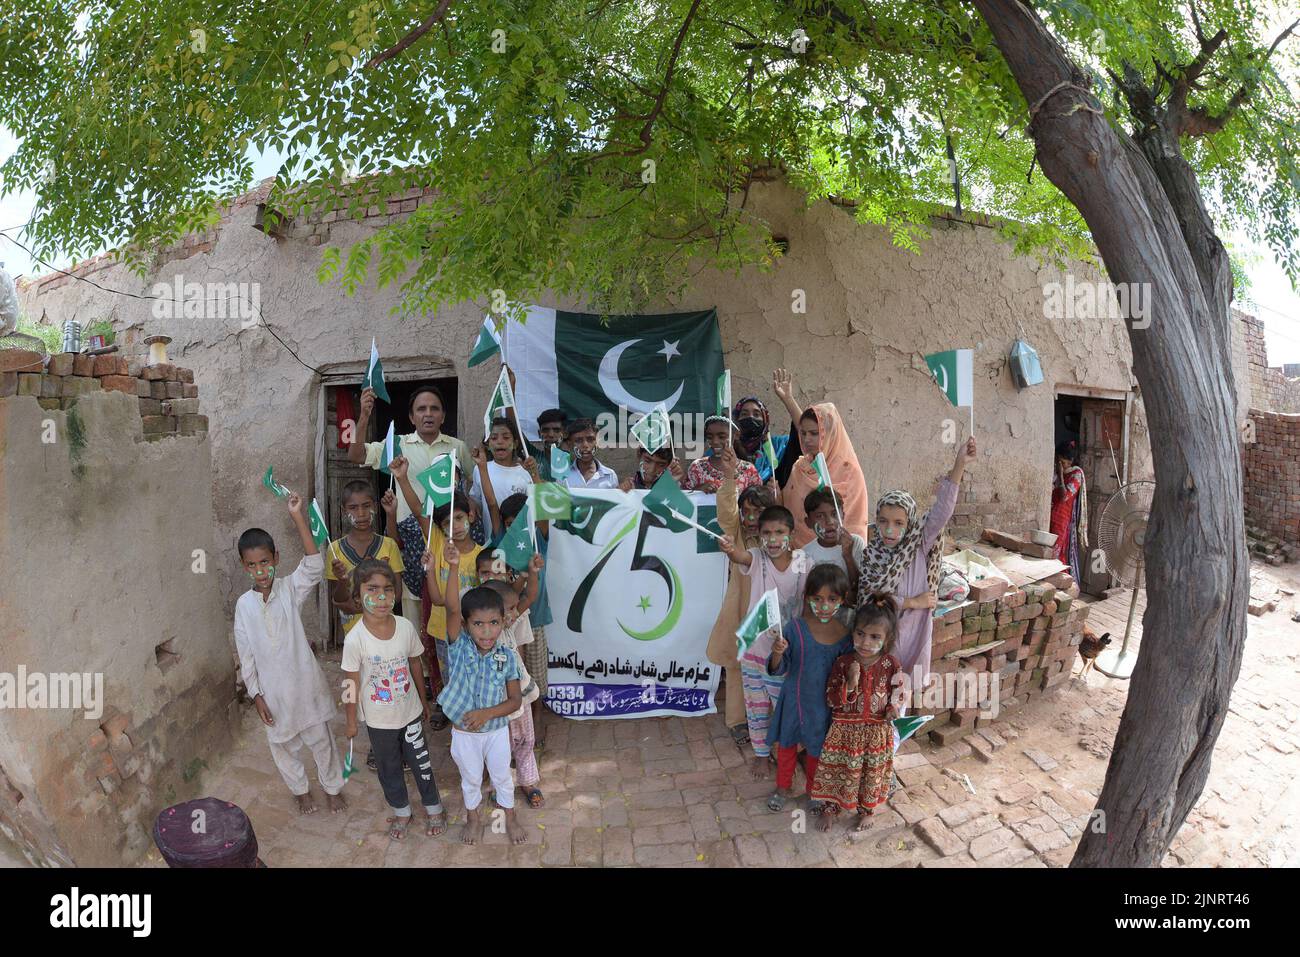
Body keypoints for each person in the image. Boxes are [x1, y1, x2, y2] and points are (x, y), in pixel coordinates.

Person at [233, 494, 346, 815]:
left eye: (265, 562)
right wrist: (255, 694)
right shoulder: (244, 606)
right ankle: (300, 790)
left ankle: (332, 787)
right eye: (252, 565)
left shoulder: (288, 590)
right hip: (274, 694)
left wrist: (298, 516)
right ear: (244, 566)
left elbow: (313, 565)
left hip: (304, 686)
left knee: (321, 741)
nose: (260, 571)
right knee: (282, 747)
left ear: (276, 559)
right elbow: (246, 655)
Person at [851, 438, 976, 690]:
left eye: (899, 523)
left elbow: (942, 510)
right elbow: (869, 599)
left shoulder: (918, 544)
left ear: (909, 524)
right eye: (883, 521)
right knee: (874, 689)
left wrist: (959, 465)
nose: (889, 529)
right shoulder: (871, 553)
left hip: (913, 633)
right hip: (880, 636)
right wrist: (913, 602)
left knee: (901, 694)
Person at [347, 383, 471, 635]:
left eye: (434, 409)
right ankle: (420, 670)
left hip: (450, 538)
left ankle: (447, 667)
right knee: (414, 606)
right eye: (421, 409)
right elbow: (356, 456)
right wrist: (364, 416)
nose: (428, 414)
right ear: (412, 416)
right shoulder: (398, 445)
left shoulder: (458, 447)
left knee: (450, 598)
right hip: (412, 538)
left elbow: (473, 484)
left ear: (443, 416)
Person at [341, 559, 443, 840]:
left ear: (396, 594)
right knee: (388, 768)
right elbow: (351, 682)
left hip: (409, 713)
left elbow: (414, 666)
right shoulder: (355, 639)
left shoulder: (405, 627)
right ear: (357, 596)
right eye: (372, 589)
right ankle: (401, 810)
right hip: (378, 720)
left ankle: (433, 806)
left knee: (421, 763)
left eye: (388, 589)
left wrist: (424, 702)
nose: (382, 597)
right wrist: (351, 721)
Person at [719, 506, 811, 778]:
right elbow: (739, 556)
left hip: (783, 652)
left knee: (784, 706)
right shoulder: (757, 558)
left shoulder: (802, 561)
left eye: (779, 532)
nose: (773, 539)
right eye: (767, 533)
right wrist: (728, 549)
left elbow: (807, 602)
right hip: (753, 649)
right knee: (756, 705)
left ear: (791, 534)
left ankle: (788, 752)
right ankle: (761, 754)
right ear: (759, 536)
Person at [438, 575, 527, 846]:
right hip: (465, 735)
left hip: (496, 732)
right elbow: (452, 608)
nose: (487, 632)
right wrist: (452, 566)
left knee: (502, 777)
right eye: (478, 624)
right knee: (471, 778)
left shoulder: (507, 657)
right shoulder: (460, 648)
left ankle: (509, 818)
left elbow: (515, 701)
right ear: (465, 625)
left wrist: (486, 714)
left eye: (494, 623)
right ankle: (473, 819)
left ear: (504, 622)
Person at [810, 594, 906, 831]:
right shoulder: (843, 663)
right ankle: (830, 809)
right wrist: (850, 685)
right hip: (844, 733)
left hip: (876, 733)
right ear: (853, 632)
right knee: (837, 773)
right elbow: (831, 699)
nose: (865, 642)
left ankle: (867, 810)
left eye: (875, 637)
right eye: (860, 634)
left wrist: (893, 708)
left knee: (871, 774)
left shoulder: (891, 665)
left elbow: (899, 691)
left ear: (887, 639)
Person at [765, 564, 853, 816]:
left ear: (842, 600)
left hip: (822, 707)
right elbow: (778, 668)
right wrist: (776, 653)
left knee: (817, 750)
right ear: (807, 598)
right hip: (793, 700)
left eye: (832, 599)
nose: (824, 606)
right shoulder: (795, 628)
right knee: (786, 746)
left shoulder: (845, 637)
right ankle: (782, 788)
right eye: (818, 599)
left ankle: (815, 791)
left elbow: (845, 677)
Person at [705, 448, 778, 745]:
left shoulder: (775, 538)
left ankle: (768, 719)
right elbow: (726, 512)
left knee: (770, 665)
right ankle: (737, 721)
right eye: (746, 511)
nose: (749, 518)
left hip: (769, 614)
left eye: (757, 513)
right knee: (737, 666)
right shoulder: (737, 534)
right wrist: (728, 476)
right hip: (740, 611)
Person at [480, 574, 546, 809]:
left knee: (526, 741)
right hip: (497, 705)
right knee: (500, 747)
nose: (512, 613)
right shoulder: (480, 638)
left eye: (512, 608)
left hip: (522, 698)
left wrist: (532, 573)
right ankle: (501, 786)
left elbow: (529, 596)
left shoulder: (509, 625)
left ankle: (528, 781)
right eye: (507, 609)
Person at [498, 492, 552, 748]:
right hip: (510, 622)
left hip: (536, 617)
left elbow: (546, 511)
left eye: (519, 522)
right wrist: (524, 573)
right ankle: (517, 721)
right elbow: (507, 589)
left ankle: (538, 716)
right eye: (509, 524)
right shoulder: (501, 548)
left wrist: (534, 473)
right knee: (515, 675)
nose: (514, 528)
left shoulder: (539, 539)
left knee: (537, 673)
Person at [784, 402, 870, 548]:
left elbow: (854, 523)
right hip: (799, 556)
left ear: (829, 434)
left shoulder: (848, 472)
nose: (806, 439)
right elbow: (787, 510)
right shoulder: (800, 467)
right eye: (803, 433)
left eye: (814, 433)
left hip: (839, 559)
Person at [324, 480, 404, 635]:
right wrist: (342, 581)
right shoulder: (334, 550)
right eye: (353, 508)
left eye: (366, 506)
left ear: (374, 506)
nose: (361, 514)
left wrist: (358, 605)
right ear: (343, 510)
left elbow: (397, 595)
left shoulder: (389, 546)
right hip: (354, 633)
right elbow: (339, 601)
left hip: (386, 630)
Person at [470, 417, 535, 542]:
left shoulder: (525, 474)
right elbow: (476, 499)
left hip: (521, 542)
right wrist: (471, 506)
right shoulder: (480, 469)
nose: (500, 442)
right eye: (494, 438)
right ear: (488, 444)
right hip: (493, 541)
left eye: (506, 437)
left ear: (515, 443)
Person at [684, 415, 762, 494]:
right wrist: (699, 489)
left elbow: (756, 501)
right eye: (710, 437)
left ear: (736, 435)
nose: (715, 441)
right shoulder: (697, 467)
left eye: (722, 437)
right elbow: (685, 498)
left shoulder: (749, 470)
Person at [1050, 440, 1088, 584]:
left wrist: (1060, 475)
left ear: (1071, 461)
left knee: (1058, 550)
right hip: (1052, 514)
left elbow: (1065, 496)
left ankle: (1063, 582)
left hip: (1062, 517)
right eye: (1058, 461)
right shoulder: (1058, 472)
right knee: (1051, 549)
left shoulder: (1076, 474)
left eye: (1063, 462)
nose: (1060, 464)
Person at [800, 487, 861, 575]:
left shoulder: (856, 543)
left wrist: (848, 556)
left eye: (834, 514)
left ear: (843, 516)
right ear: (808, 522)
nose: (829, 522)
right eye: (820, 516)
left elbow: (861, 586)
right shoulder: (805, 554)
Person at [562, 417, 619, 488]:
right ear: (569, 444)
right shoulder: (563, 477)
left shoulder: (610, 476)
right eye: (578, 440)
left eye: (590, 439)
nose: (585, 445)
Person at [619, 445, 685, 490]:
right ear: (639, 455)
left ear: (669, 464)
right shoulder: (630, 485)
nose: (652, 470)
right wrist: (620, 493)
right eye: (647, 461)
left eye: (661, 464)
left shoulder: (673, 484)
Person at [533, 408, 567, 478]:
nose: (551, 435)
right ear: (539, 433)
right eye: (545, 430)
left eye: (556, 430)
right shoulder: (532, 455)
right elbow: (515, 430)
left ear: (565, 433)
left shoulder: (574, 460)